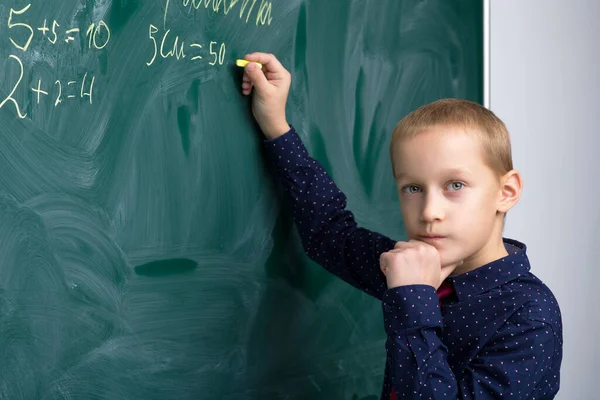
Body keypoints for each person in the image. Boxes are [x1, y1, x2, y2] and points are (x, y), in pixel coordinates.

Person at [240, 52, 563, 399]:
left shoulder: (529, 315)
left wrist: (413, 298)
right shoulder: (411, 265)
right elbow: (329, 233)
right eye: (413, 188)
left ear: (506, 191)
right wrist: (276, 126)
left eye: (455, 185)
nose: (429, 212)